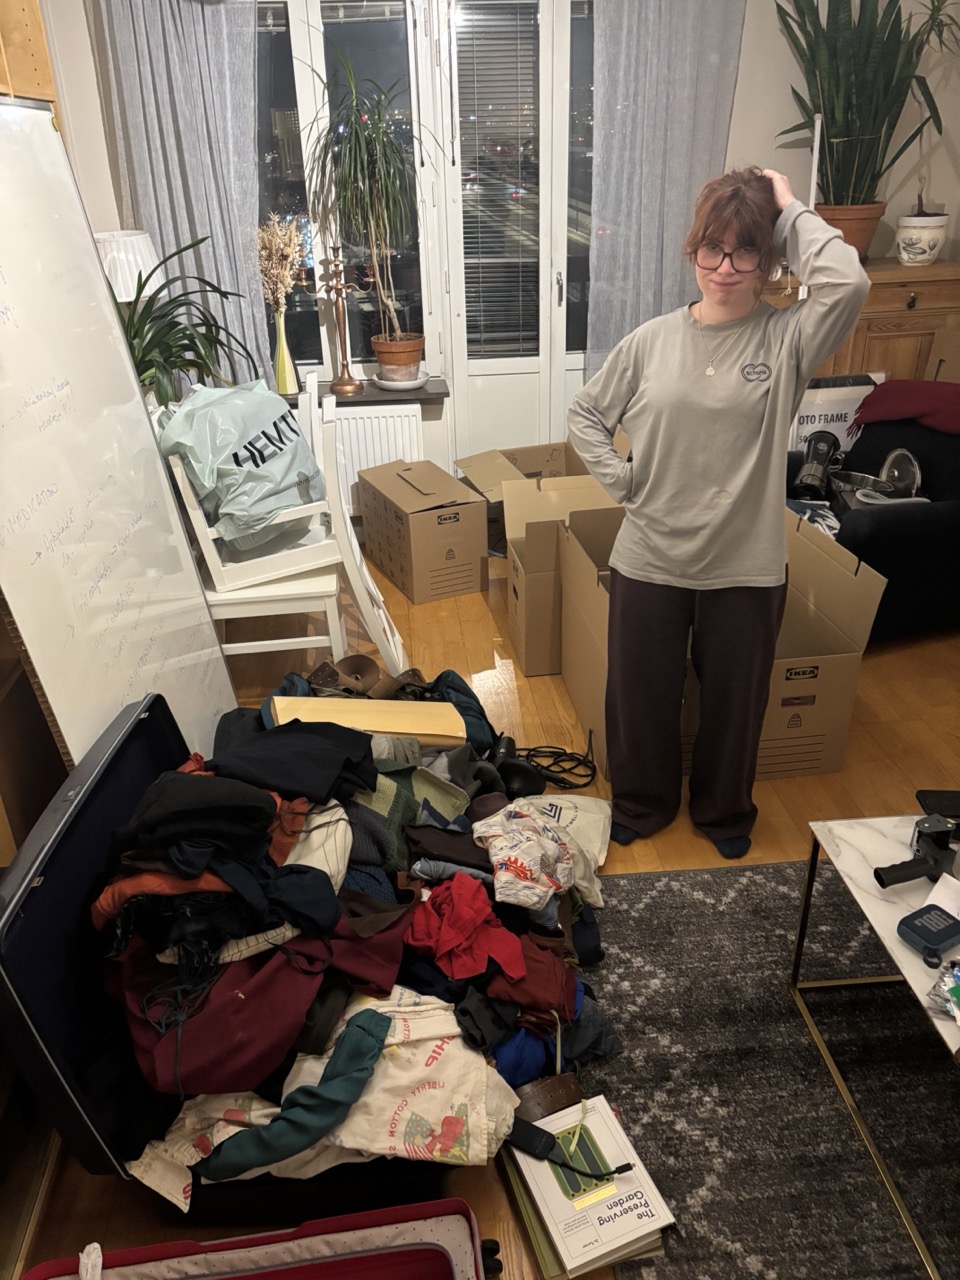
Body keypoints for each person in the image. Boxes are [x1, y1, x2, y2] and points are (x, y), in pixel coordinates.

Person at [567, 167, 869, 859]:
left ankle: (724, 810)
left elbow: (849, 282)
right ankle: (641, 802)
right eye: (713, 249)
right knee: (640, 694)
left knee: (737, 701)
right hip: (650, 555)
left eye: (745, 250)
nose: (725, 267)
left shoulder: (788, 338)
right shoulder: (651, 340)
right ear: (694, 250)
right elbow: (586, 414)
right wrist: (623, 482)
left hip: (746, 561)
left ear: (769, 258)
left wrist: (787, 206)